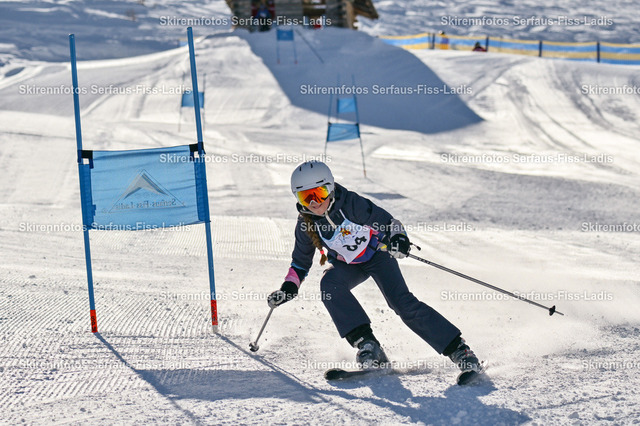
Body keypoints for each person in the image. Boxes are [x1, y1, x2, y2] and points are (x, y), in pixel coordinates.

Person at [267, 160, 480, 377]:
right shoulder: (306, 223)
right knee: (329, 284)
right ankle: (367, 345)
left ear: (330, 188)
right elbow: (300, 262)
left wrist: (398, 239)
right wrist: (288, 288)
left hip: (377, 255)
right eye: (306, 197)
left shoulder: (351, 204)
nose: (314, 202)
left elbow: (388, 223)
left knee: (401, 302)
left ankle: (460, 351)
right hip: (348, 265)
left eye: (319, 193)